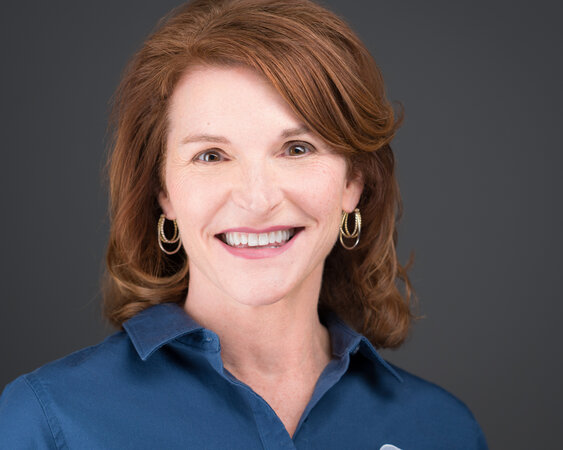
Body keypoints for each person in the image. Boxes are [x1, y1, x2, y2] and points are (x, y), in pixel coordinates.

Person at [0, 0, 488, 448]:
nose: (257, 200)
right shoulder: (49, 422)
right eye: (211, 155)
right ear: (163, 192)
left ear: (353, 182)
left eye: (296, 149)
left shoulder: (440, 430)